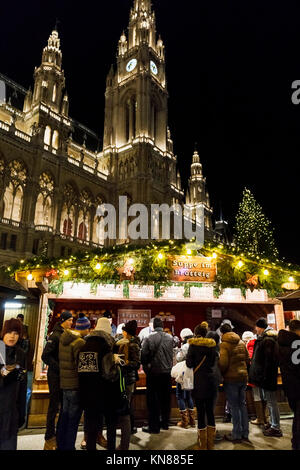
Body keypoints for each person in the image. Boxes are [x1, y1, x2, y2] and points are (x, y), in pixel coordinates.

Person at [78, 317, 122, 450]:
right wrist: (116, 364)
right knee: (110, 425)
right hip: (104, 394)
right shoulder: (105, 347)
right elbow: (110, 374)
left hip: (86, 393)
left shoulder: (83, 347)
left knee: (91, 427)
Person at [56, 314, 90, 450]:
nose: (88, 331)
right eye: (87, 328)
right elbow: (81, 367)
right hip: (75, 386)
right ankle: (69, 446)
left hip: (65, 385)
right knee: (73, 420)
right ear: (84, 329)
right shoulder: (80, 342)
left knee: (64, 417)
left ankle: (61, 445)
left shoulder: (64, 339)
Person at [41, 310, 73, 450]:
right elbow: (45, 356)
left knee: (62, 405)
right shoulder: (55, 336)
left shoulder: (65, 335)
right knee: (53, 406)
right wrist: (59, 367)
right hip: (54, 376)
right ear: (64, 321)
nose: (72, 322)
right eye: (70, 320)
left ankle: (59, 433)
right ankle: (49, 436)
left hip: (63, 376)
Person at [249, 317, 282, 437]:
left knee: (272, 402)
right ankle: (272, 423)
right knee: (270, 402)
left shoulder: (268, 339)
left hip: (268, 376)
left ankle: (276, 427)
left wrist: (264, 375)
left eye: (256, 327)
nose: (255, 329)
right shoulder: (266, 338)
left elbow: (269, 361)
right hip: (266, 376)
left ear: (260, 327)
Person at [186, 322, 217, 450]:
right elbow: (214, 362)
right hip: (211, 381)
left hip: (198, 382)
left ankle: (202, 445)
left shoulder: (193, 346)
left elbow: (188, 363)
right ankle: (211, 444)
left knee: (201, 411)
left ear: (196, 334)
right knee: (210, 411)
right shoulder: (212, 346)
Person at [218, 323, 250, 444]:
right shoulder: (241, 342)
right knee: (242, 405)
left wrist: (221, 373)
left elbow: (223, 363)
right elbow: (247, 358)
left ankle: (236, 434)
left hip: (231, 379)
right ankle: (245, 432)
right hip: (243, 377)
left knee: (234, 406)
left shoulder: (224, 345)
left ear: (222, 333)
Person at [141, 317, 173, 434]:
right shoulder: (170, 338)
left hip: (154, 374)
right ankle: (165, 423)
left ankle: (154, 427)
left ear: (153, 326)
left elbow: (143, 356)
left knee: (153, 401)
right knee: (165, 400)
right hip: (167, 374)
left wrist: (146, 368)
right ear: (162, 325)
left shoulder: (149, 337)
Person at [0, 319, 27, 450]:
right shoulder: (0, 350)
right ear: (3, 332)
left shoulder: (20, 353)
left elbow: (23, 385)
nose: (12, 336)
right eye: (9, 332)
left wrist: (22, 412)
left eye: (16, 333)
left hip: (11, 411)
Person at [115, 320, 141, 449]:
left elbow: (136, 363)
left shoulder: (132, 345)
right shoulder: (124, 342)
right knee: (127, 406)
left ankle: (125, 439)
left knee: (126, 407)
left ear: (126, 332)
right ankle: (128, 431)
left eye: (124, 331)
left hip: (128, 380)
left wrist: (122, 364)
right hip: (125, 379)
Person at [278, 320, 300, 450]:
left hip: (289, 386)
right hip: (297, 385)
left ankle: (295, 443)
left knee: (297, 417)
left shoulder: (282, 343)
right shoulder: (297, 343)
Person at [242, 331, 268, 428]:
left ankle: (260, 418)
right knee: (265, 395)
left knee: (257, 395)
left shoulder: (248, 345)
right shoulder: (260, 343)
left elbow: (248, 360)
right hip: (263, 374)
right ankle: (266, 418)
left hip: (253, 374)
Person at [175, 328, 195, 429]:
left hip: (183, 373)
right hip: (191, 373)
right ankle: (192, 420)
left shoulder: (185, 346)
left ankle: (185, 421)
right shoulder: (194, 344)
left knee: (180, 395)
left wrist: (178, 351)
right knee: (189, 395)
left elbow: (179, 358)